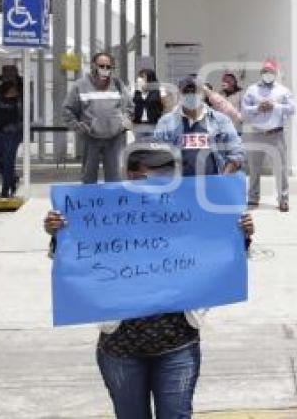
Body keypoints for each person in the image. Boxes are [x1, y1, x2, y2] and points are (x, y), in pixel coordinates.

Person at [43, 142, 254, 419]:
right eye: (155, 174)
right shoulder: (105, 213)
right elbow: (74, 261)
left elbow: (218, 257)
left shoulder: (190, 209)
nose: (163, 181)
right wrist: (59, 232)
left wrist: (242, 234)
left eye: (169, 174)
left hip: (178, 345)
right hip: (120, 349)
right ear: (131, 175)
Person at [62, 52, 133, 183]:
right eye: (101, 66)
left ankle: (112, 202)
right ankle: (89, 202)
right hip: (90, 138)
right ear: (93, 66)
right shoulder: (80, 85)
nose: (105, 70)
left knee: (114, 177)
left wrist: (123, 124)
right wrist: (78, 127)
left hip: (114, 139)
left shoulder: (118, 85)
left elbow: (129, 107)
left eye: (108, 67)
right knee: (89, 176)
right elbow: (67, 110)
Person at [154, 76, 244, 177]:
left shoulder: (220, 120)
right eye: (186, 91)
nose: (191, 95)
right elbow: (157, 156)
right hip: (179, 187)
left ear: (203, 93)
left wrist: (222, 179)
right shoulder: (166, 122)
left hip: (213, 185)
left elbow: (237, 153)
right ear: (180, 93)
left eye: (195, 91)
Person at [241, 60, 295, 211]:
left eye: (271, 72)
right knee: (254, 167)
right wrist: (258, 107)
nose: (268, 74)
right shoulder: (252, 90)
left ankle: (283, 199)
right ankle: (253, 197)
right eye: (265, 71)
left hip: (276, 134)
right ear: (261, 73)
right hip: (257, 133)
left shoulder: (283, 90)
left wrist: (275, 106)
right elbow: (244, 110)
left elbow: (292, 108)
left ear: (275, 73)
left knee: (281, 169)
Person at [131, 68, 165, 137]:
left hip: (153, 125)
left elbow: (164, 107)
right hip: (139, 125)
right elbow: (132, 107)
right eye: (139, 77)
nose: (140, 79)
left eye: (142, 77)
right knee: (140, 146)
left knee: (153, 144)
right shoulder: (136, 92)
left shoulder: (158, 91)